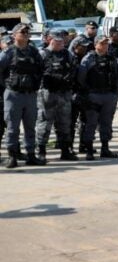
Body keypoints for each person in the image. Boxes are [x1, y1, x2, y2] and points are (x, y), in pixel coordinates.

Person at [0, 23, 46, 168]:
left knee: (30, 126)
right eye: (22, 32)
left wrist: (36, 85)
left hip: (30, 94)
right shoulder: (8, 52)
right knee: (12, 128)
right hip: (13, 94)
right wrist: (6, 86)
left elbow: (41, 69)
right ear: (14, 35)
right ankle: (12, 156)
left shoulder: (33, 51)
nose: (26, 34)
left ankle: (31, 155)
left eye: (27, 32)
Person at [35, 30, 76, 162]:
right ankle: (41, 151)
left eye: (62, 41)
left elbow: (74, 69)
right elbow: (35, 73)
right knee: (44, 123)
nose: (59, 43)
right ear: (50, 40)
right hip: (47, 93)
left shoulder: (67, 54)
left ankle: (65, 151)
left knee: (65, 123)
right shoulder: (42, 54)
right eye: (57, 40)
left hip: (64, 93)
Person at [78, 34, 118, 159]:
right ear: (95, 44)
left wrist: (115, 93)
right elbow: (81, 78)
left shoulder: (112, 58)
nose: (105, 46)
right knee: (91, 123)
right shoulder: (88, 59)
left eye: (106, 43)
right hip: (93, 95)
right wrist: (87, 93)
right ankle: (89, 150)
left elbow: (117, 75)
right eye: (102, 43)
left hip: (109, 95)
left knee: (106, 123)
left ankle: (105, 148)